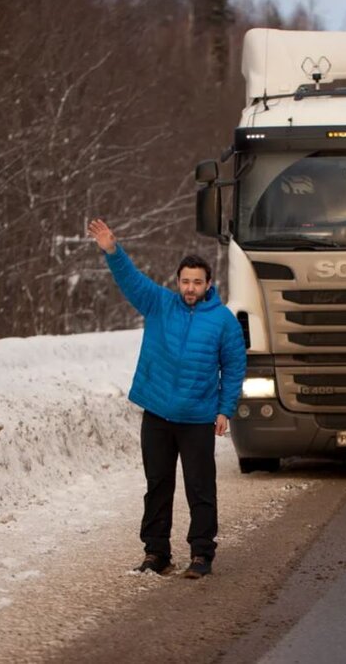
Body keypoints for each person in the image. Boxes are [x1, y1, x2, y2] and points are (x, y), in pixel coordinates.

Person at [86, 218, 246, 579]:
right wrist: (112, 249)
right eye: (185, 281)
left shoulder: (223, 321)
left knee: (200, 487)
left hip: (197, 419)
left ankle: (202, 554)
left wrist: (225, 410)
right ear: (178, 282)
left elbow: (234, 367)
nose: (190, 288)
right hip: (158, 414)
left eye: (197, 282)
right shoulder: (160, 304)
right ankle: (157, 552)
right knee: (158, 485)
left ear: (208, 285)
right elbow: (131, 279)